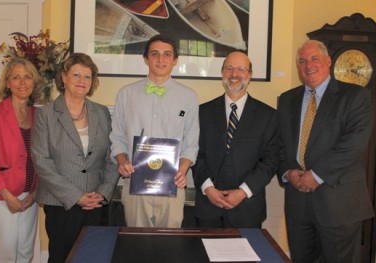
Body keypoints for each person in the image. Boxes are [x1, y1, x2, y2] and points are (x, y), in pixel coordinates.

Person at [277, 40, 374, 262]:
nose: (308, 65)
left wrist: (316, 175)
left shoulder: (355, 96)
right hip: (297, 204)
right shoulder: (287, 99)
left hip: (338, 203)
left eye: (314, 59)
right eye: (302, 61)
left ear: (328, 61)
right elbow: (280, 144)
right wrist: (288, 173)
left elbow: (354, 144)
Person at [31, 53, 118, 262]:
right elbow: (41, 161)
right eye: (76, 75)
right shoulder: (47, 114)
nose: (82, 81)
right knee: (62, 257)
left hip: (96, 204)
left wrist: (104, 193)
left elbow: (112, 157)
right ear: (64, 77)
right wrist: (75, 196)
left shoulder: (101, 112)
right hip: (62, 204)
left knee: (95, 257)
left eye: (87, 77)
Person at [110, 34, 199, 228]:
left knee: (169, 247)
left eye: (167, 54)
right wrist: (123, 161)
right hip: (135, 182)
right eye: (155, 54)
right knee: (136, 245)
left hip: (172, 185)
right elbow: (116, 137)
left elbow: (191, 144)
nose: (161, 59)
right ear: (146, 59)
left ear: (175, 60)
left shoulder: (188, 97)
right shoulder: (126, 94)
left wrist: (182, 171)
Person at [192, 50, 279, 228]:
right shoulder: (202, 112)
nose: (234, 74)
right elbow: (195, 154)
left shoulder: (268, 115)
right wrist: (208, 189)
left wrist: (242, 192)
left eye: (241, 69)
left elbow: (271, 160)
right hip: (208, 207)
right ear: (222, 73)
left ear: (250, 75)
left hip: (247, 208)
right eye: (229, 68)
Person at [0, 57, 43, 262]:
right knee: (5, 254)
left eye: (27, 77)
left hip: (29, 196)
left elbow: (42, 157)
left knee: (25, 252)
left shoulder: (38, 115)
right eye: (16, 77)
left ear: (34, 82)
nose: (22, 82)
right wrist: (7, 196)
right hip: (2, 196)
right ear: (7, 83)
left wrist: (34, 193)